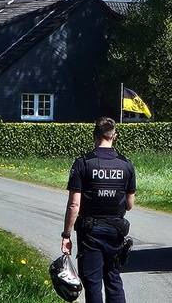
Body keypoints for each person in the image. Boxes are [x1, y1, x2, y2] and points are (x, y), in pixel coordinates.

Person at [61, 117, 136, 303]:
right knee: (113, 279)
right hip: (116, 231)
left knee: (93, 282)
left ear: (95, 135)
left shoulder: (83, 163)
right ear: (114, 136)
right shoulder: (126, 164)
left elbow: (74, 205)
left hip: (90, 232)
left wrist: (66, 235)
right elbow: (129, 204)